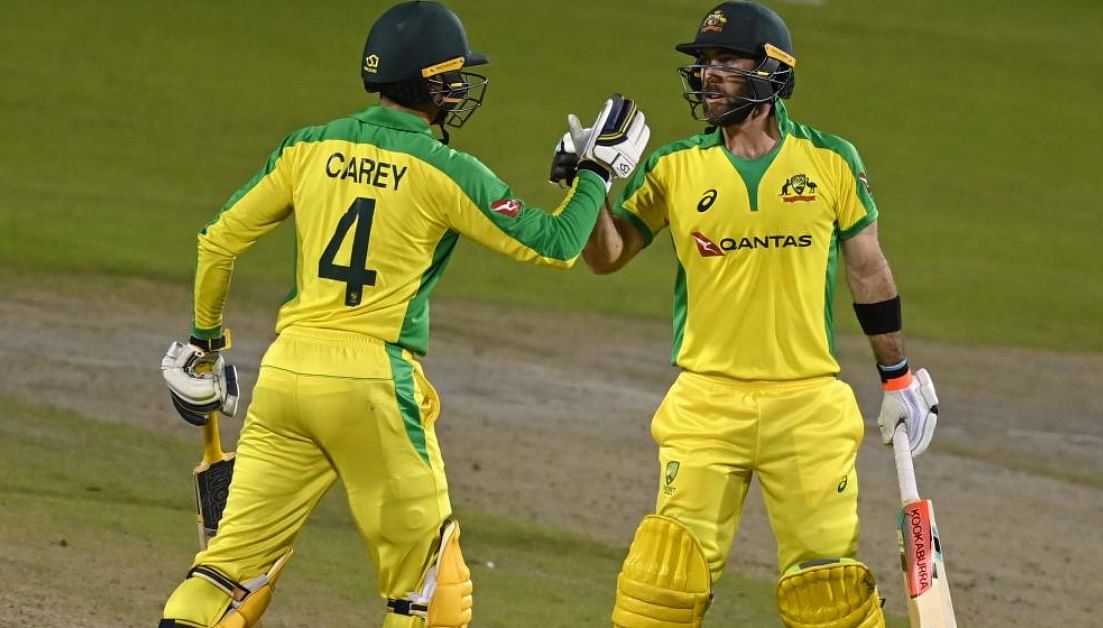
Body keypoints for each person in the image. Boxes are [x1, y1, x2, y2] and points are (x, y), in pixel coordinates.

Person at [156, 2, 649, 626]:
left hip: (286, 378)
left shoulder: (309, 146)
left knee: (225, 574)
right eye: (456, 77)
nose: (462, 88)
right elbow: (555, 246)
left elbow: (217, 240)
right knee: (430, 594)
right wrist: (596, 176)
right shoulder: (445, 169)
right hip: (374, 386)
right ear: (433, 83)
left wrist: (206, 345)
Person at [563, 2, 940, 626]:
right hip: (706, 405)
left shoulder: (830, 161)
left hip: (808, 406)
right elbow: (607, 256)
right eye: (704, 64)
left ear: (770, 74)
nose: (708, 76)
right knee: (662, 585)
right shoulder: (674, 167)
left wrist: (897, 375)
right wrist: (588, 185)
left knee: (831, 596)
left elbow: (868, 268)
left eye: (725, 64)